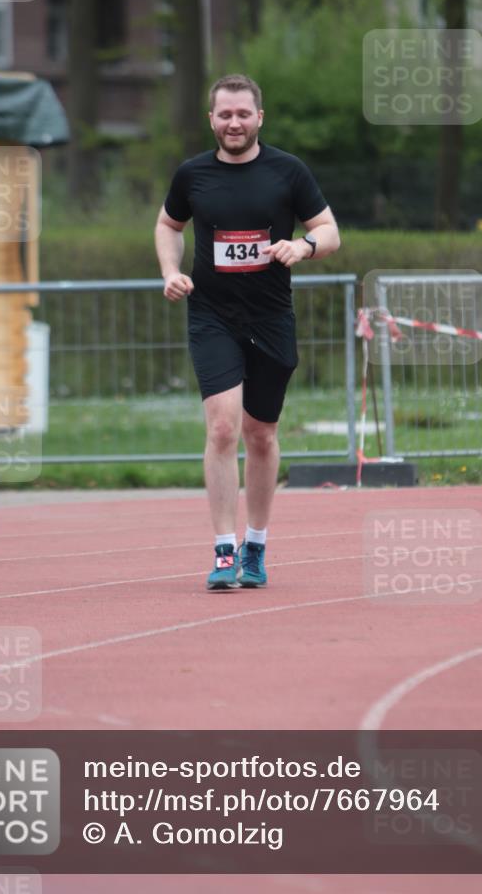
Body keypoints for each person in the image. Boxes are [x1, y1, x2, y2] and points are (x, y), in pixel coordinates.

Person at [155, 73, 340, 590]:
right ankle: (221, 551)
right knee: (222, 428)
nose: (233, 122)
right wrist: (171, 273)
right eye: (224, 114)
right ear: (211, 120)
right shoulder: (192, 175)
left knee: (261, 434)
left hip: (270, 318)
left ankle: (254, 546)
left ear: (259, 117)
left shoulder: (288, 171)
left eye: (242, 114)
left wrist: (302, 247)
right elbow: (168, 225)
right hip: (212, 315)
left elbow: (329, 231)